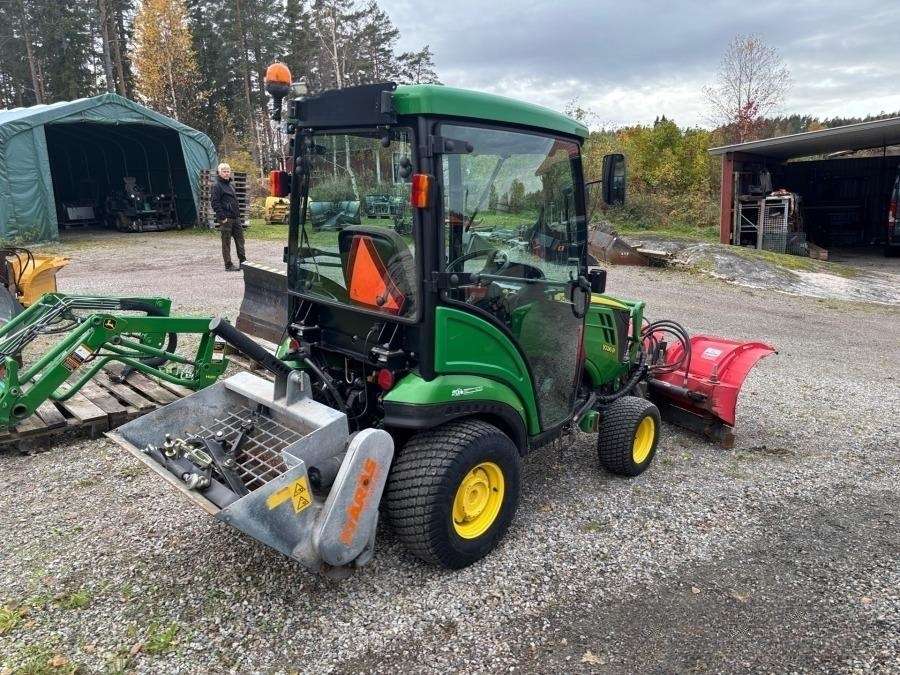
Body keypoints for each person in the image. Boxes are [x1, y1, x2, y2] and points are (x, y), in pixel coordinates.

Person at [210, 163, 245, 271]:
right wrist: (222, 217)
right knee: (226, 242)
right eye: (224, 171)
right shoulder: (217, 186)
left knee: (240, 240)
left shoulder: (231, 184)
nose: (226, 173)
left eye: (228, 171)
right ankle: (228, 265)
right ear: (219, 172)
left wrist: (238, 215)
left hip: (236, 217)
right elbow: (214, 202)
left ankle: (243, 262)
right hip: (226, 219)